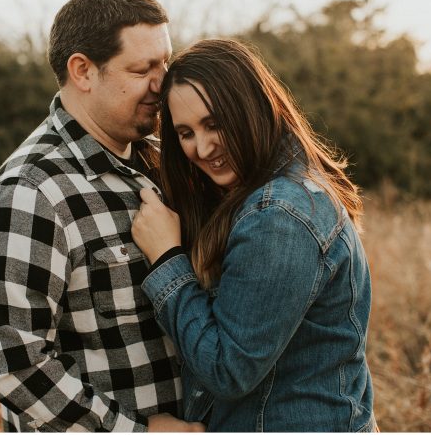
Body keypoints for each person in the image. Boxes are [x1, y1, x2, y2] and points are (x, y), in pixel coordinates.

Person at [0, 0, 203, 432]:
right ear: (83, 71)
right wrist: (134, 431)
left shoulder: (164, 161)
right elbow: (11, 362)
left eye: (165, 63)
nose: (163, 83)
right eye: (142, 69)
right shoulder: (31, 191)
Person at [129, 38, 376, 431]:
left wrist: (166, 258)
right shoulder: (280, 187)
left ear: (249, 107)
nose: (203, 148)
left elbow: (228, 370)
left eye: (214, 124)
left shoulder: (277, 216)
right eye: (186, 133)